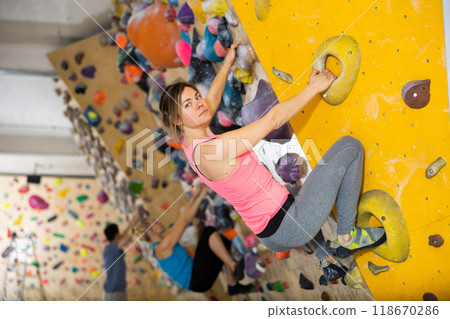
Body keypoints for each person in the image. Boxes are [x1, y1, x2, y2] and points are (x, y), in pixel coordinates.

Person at [159, 42, 386, 282]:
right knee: (350, 147)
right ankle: (348, 237)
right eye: (188, 104)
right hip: (290, 225)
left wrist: (227, 62)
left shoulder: (189, 142)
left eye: (196, 96)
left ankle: (325, 256)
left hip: (268, 234)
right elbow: (273, 120)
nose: (199, 103)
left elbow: (212, 100)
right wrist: (313, 88)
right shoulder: (211, 151)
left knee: (295, 189)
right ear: (176, 119)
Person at [148, 183, 252, 295]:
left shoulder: (162, 240)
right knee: (208, 232)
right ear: (150, 231)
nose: (158, 222)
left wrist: (196, 195)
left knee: (221, 241)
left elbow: (183, 216)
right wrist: (202, 193)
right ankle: (233, 265)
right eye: (154, 223)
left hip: (197, 275)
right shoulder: (162, 247)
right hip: (197, 280)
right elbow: (186, 220)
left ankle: (233, 285)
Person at [102, 210, 140, 301]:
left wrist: (134, 218)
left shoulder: (112, 247)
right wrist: (136, 222)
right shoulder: (109, 249)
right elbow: (127, 237)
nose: (121, 234)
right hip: (112, 293)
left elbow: (125, 234)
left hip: (117, 291)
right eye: (119, 233)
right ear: (116, 235)